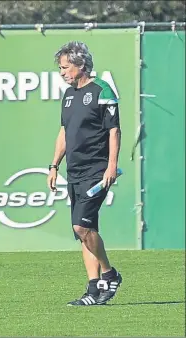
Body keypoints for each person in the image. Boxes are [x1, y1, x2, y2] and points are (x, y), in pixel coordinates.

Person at [47, 41, 123, 306]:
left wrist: (111, 166)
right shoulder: (69, 95)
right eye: (60, 68)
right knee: (84, 232)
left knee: (81, 226)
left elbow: (114, 130)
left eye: (65, 67)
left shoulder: (102, 90)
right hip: (74, 171)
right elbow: (64, 132)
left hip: (96, 171)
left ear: (80, 65)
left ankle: (110, 273)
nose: (62, 73)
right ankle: (93, 290)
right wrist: (54, 165)